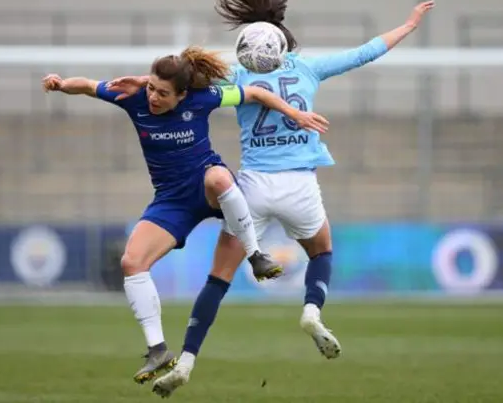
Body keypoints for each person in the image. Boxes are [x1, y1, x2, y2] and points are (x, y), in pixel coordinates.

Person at [108, 0, 434, 398]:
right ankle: (312, 311)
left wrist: (140, 83)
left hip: (253, 189)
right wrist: (407, 25)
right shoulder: (310, 69)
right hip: (300, 186)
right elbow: (364, 53)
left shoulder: (235, 75)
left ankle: (186, 361)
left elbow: (181, 85)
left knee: (217, 280)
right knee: (322, 251)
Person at [41, 45, 329, 385]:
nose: (153, 97)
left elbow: (254, 92)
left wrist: (295, 115)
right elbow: (88, 86)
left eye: (163, 93)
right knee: (131, 263)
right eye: (151, 88)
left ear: (182, 95)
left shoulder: (203, 98)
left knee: (221, 177)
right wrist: (60, 85)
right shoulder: (132, 97)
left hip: (206, 183)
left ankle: (255, 255)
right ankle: (158, 350)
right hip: (171, 201)